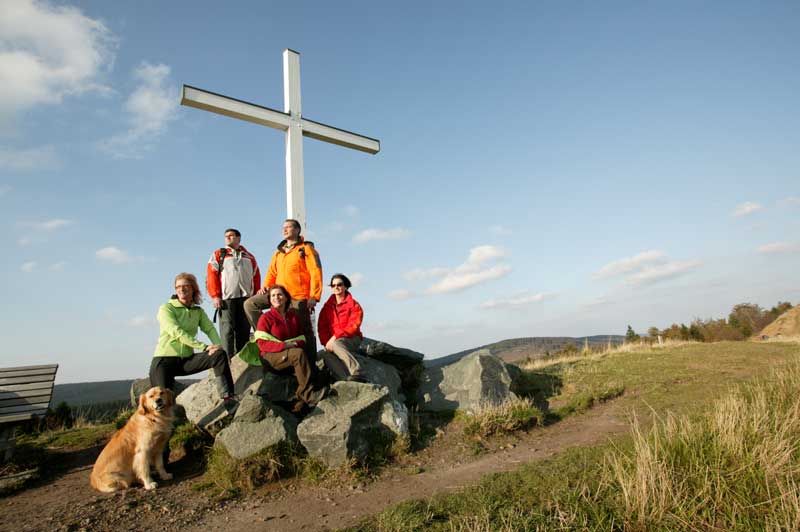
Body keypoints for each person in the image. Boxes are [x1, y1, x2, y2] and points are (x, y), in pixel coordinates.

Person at [150, 273, 235, 404]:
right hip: (164, 362)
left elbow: (210, 329)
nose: (181, 289)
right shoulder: (166, 308)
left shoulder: (198, 311)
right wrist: (204, 347)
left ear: (193, 288)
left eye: (185, 286)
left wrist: (217, 346)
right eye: (178, 286)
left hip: (186, 361)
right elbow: (176, 332)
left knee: (219, 354)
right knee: (162, 402)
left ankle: (228, 398)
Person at [244, 219, 322, 362]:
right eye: (283, 228)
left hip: (298, 295)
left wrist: (314, 296)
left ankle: (311, 363)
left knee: (305, 330)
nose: (284, 230)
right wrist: (266, 286)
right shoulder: (278, 253)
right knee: (250, 304)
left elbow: (316, 272)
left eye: (288, 227)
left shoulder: (306, 249)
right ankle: (267, 335)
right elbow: (272, 272)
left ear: (298, 230)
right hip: (278, 293)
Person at [256, 285, 328, 413]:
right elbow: (262, 343)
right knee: (298, 354)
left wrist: (294, 343)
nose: (276, 298)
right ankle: (308, 395)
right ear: (269, 299)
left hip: (289, 354)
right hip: (270, 356)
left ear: (286, 298)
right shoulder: (265, 318)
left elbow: (302, 337)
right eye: (273, 295)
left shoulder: (293, 317)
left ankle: (300, 396)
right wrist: (285, 346)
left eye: (279, 295)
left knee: (299, 353)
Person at [206, 228, 260, 360]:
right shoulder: (219, 254)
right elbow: (211, 276)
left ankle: (242, 358)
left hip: (246, 298)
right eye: (226, 236)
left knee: (244, 329)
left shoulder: (249, 257)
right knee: (227, 329)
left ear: (239, 238)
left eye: (231, 236)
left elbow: (256, 277)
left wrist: (255, 297)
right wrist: (215, 295)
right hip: (226, 298)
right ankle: (227, 359)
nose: (228, 238)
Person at [317, 273, 367, 382]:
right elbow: (322, 328)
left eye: (339, 284)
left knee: (336, 344)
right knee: (325, 354)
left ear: (345, 286)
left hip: (351, 338)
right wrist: (326, 343)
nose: (336, 287)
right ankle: (345, 380)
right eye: (333, 285)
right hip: (333, 341)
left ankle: (358, 371)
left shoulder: (354, 305)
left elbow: (353, 326)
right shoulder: (326, 308)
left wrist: (335, 337)